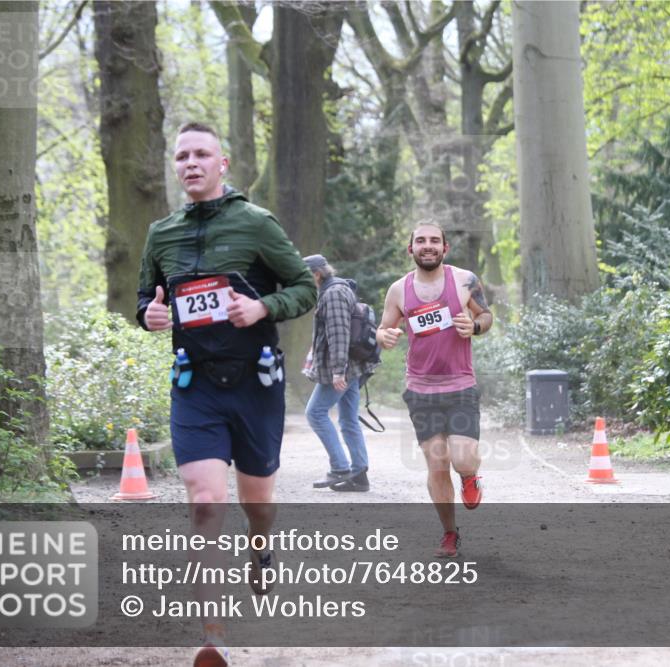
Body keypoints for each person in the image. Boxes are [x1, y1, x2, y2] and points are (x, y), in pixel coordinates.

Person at [136, 122, 316, 666]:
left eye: (202, 154)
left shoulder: (256, 223)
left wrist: (263, 308)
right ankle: (212, 638)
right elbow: (147, 298)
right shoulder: (160, 233)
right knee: (206, 502)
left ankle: (261, 550)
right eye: (182, 156)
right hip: (194, 385)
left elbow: (304, 287)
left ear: (223, 164)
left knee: (256, 504)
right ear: (176, 166)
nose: (191, 163)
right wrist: (149, 314)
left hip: (254, 383)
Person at [376, 220, 493, 558]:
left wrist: (475, 326)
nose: (427, 246)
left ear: (445, 248)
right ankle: (450, 533)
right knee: (437, 464)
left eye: (434, 241)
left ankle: (470, 477)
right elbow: (383, 329)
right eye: (420, 241)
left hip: (460, 385)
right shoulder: (399, 289)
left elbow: (486, 315)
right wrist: (383, 336)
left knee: (462, 458)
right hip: (421, 389)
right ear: (410, 249)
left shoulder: (464, 280)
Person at [302, 254, 378, 492]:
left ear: (316, 273)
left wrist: (338, 371)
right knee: (348, 419)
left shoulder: (333, 293)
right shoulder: (338, 288)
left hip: (343, 368)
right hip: (352, 366)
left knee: (315, 413)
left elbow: (339, 334)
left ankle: (340, 468)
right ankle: (359, 475)